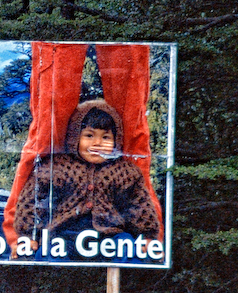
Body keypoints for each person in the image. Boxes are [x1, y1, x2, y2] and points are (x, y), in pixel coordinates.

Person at [11, 99, 161, 254]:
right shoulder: (56, 167)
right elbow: (31, 199)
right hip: (64, 234)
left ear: (116, 140)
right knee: (47, 253)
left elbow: (139, 204)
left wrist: (147, 236)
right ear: (75, 137)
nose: (97, 143)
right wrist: (27, 235)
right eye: (89, 136)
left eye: (106, 137)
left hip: (110, 236)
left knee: (129, 250)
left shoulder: (125, 171)